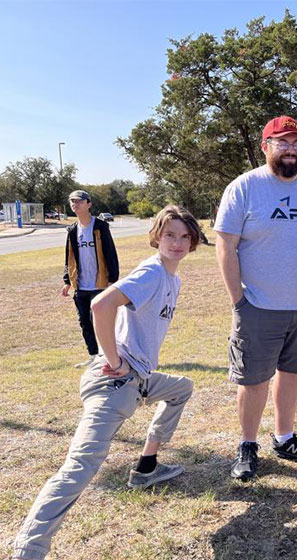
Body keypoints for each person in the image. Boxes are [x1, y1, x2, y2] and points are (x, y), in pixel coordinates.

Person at [14, 206, 200, 560]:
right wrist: (114, 361)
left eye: (184, 236)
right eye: (169, 235)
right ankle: (29, 550)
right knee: (79, 467)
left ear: (193, 241)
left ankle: (146, 468)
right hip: (115, 383)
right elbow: (101, 305)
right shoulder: (152, 272)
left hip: (139, 377)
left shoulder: (173, 279)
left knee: (181, 388)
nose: (177, 242)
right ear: (157, 237)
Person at [214, 115, 297, 481]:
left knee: (292, 374)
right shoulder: (244, 187)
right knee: (253, 380)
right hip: (258, 307)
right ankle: (247, 445)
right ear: (265, 146)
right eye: (282, 142)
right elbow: (226, 245)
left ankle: (285, 437)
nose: (291, 149)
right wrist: (239, 299)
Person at [61, 190, 119, 368]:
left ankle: (109, 356)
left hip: (99, 284)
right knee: (84, 321)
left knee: (101, 322)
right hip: (81, 286)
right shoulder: (72, 230)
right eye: (72, 201)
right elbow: (68, 257)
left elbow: (110, 253)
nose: (75, 204)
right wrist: (67, 281)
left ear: (89, 204)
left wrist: (112, 280)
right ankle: (94, 356)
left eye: (79, 201)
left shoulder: (100, 226)